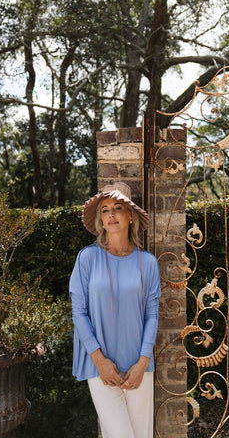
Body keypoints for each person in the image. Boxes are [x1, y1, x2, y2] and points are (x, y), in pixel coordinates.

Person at [69, 182, 161, 438]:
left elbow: (151, 315)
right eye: (105, 209)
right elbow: (79, 313)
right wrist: (99, 360)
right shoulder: (87, 258)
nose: (111, 215)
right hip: (100, 366)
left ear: (130, 216)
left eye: (118, 208)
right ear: (100, 218)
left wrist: (143, 361)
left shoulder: (148, 262)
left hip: (138, 366)